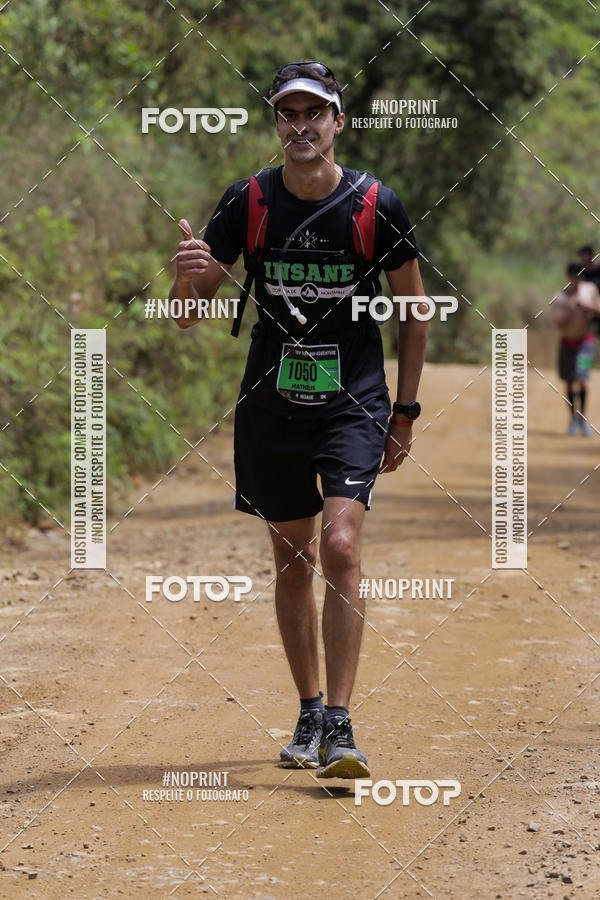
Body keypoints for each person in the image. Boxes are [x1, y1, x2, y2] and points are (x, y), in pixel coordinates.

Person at [169, 61, 428, 778]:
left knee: (341, 544)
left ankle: (341, 727)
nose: (301, 126)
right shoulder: (247, 201)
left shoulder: (376, 204)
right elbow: (191, 314)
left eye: (315, 113)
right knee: (295, 559)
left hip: (352, 399)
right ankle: (309, 710)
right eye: (288, 114)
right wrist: (183, 273)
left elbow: (414, 313)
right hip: (271, 405)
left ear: (338, 122)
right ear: (277, 123)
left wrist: (404, 412)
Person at [553, 262, 600, 435]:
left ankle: (582, 417)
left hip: (586, 342)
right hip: (567, 343)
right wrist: (570, 310)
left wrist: (590, 307)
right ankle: (573, 418)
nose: (576, 280)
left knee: (582, 378)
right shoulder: (561, 297)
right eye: (573, 277)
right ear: (568, 278)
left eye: (578, 277)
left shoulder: (590, 290)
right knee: (569, 381)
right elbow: (558, 324)